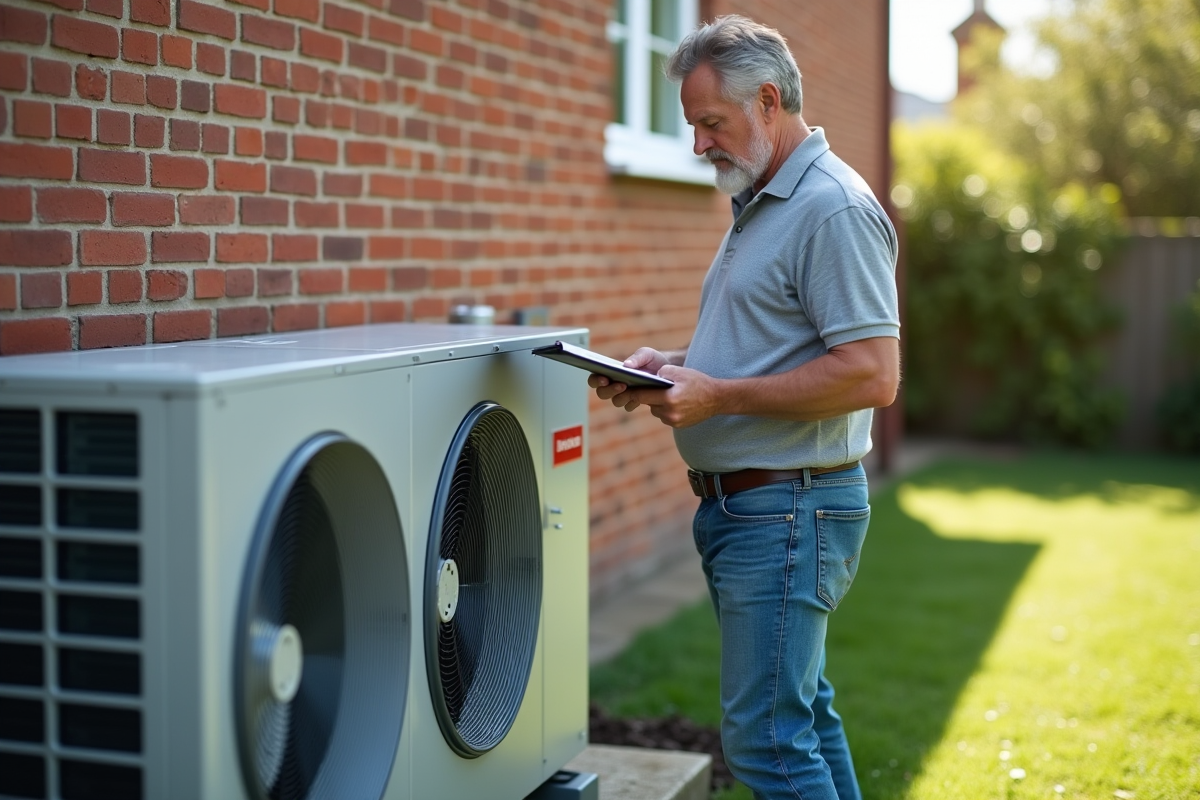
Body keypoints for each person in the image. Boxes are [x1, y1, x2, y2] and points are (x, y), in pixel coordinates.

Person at [589, 15, 901, 800]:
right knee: (801, 719)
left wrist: (718, 394)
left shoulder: (832, 208)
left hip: (788, 507)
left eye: (710, 124)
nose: (699, 146)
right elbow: (774, 343)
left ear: (768, 100)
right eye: (692, 127)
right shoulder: (763, 201)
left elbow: (872, 374)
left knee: (767, 745)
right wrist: (675, 367)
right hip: (756, 509)